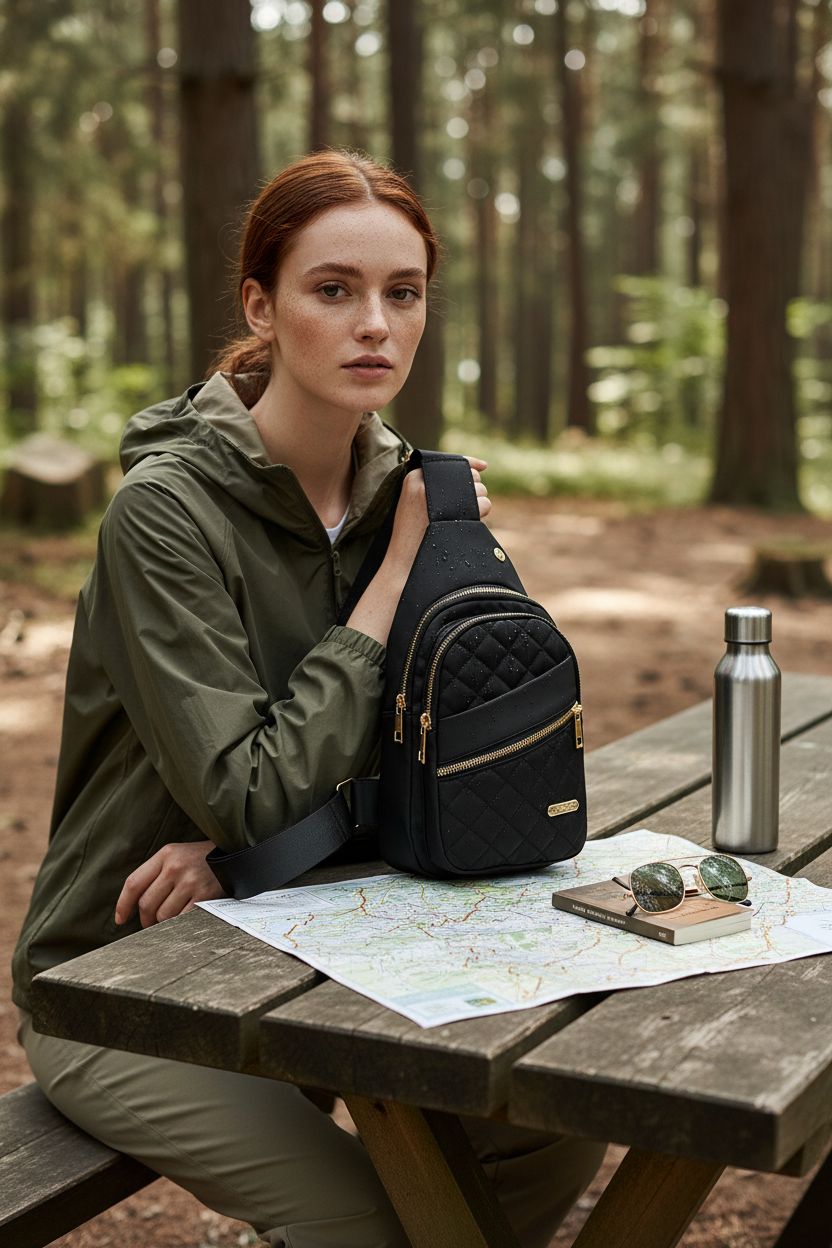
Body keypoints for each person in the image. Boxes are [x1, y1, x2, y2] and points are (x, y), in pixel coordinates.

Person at [13, 149, 605, 1248]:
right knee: (390, 1230)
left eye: (403, 292)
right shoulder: (164, 512)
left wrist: (248, 854)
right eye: (333, 290)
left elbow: (476, 754)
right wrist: (392, 581)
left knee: (554, 1124)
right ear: (262, 304)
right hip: (123, 974)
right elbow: (248, 789)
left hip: (319, 935)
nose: (373, 324)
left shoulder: (415, 490)